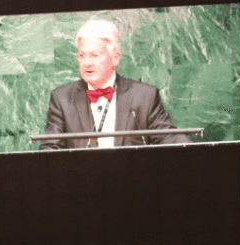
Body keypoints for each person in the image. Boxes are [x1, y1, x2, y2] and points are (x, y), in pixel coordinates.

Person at [40, 19, 192, 150]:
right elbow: (50, 149)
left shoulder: (144, 97)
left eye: (94, 55)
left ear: (115, 57)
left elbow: (170, 137)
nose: (87, 63)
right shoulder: (62, 99)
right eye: (82, 55)